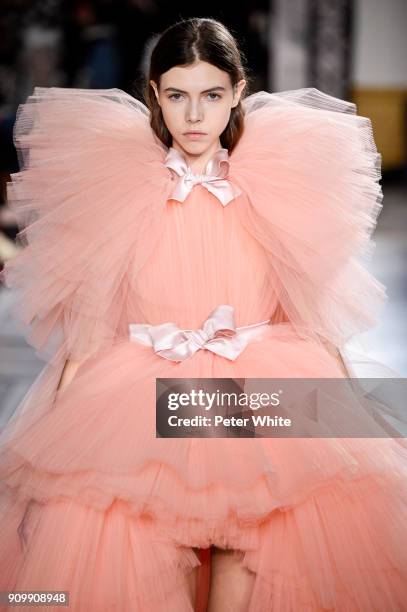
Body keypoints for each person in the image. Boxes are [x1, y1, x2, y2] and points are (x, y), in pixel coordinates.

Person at [0, 16, 407, 612]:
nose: (194, 117)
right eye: (177, 96)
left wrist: (350, 417)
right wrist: (51, 452)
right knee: (134, 543)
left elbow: (310, 313)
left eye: (211, 96)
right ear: (155, 96)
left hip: (259, 380)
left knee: (260, 539)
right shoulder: (118, 188)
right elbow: (86, 335)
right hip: (142, 386)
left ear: (238, 92)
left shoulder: (278, 183)